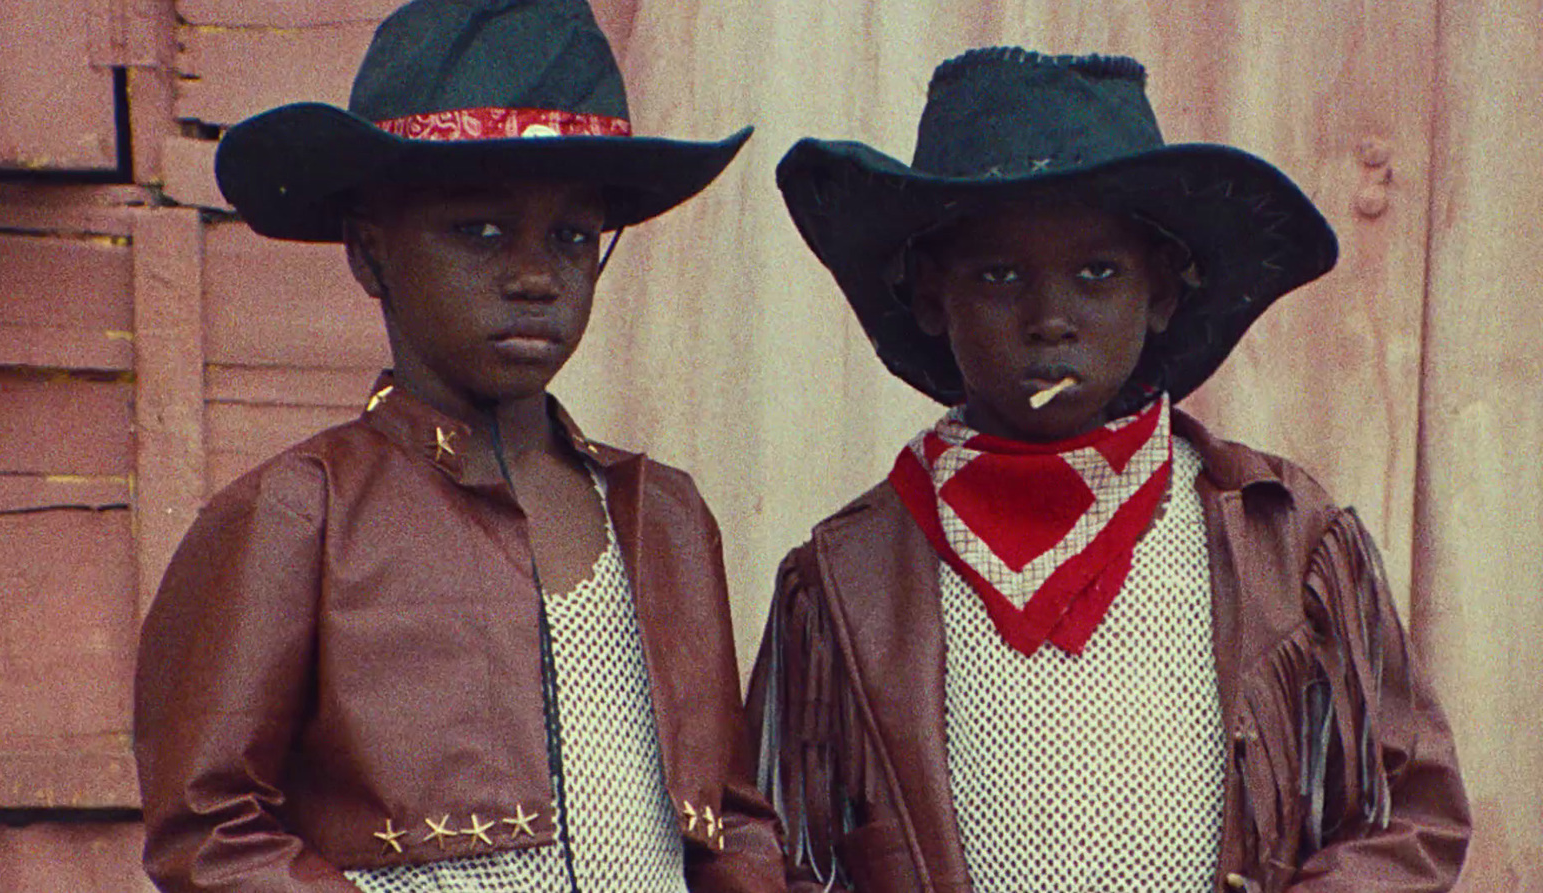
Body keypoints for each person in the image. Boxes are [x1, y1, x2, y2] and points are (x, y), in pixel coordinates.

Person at [747, 47, 1469, 892]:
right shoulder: (842, 584)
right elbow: (780, 849)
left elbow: (1409, 812)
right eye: (999, 274)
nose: (1051, 317)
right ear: (931, 296)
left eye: (1098, 273)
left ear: (1162, 291)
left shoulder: (1288, 543)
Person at [133, 2, 784, 891]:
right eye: (479, 230)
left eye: (573, 237)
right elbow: (210, 829)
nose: (533, 274)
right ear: (371, 253)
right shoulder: (300, 512)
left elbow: (732, 818)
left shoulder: (663, 513)